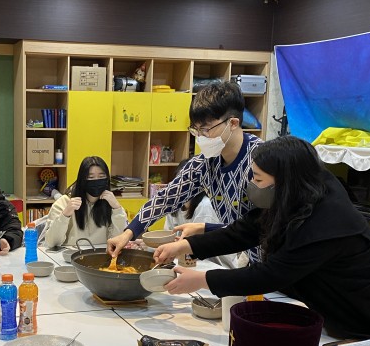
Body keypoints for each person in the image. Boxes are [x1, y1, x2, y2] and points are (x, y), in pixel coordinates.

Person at [154, 137, 370, 346]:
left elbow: (271, 275)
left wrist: (202, 279)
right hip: (347, 314)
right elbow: (248, 229)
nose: (252, 185)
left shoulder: (326, 222)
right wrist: (187, 246)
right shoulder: (301, 192)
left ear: (285, 181)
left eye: (258, 178)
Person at [107, 80, 263, 262]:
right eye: (196, 130)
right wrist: (128, 233)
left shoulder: (261, 161)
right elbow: (166, 199)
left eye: (206, 129)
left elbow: (263, 226)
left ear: (233, 123)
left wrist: (203, 230)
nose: (200, 137)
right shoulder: (204, 164)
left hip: (280, 259)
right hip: (251, 258)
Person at [163, 159, 237, 269]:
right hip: (187, 259)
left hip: (215, 264)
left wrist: (178, 245)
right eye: (179, 180)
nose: (182, 185)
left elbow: (198, 247)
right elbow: (167, 237)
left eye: (189, 180)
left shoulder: (205, 205)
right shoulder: (174, 205)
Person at [41, 156, 127, 247]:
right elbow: (51, 243)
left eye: (101, 176)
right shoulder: (64, 202)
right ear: (82, 180)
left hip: (101, 256)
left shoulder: (110, 203)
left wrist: (117, 209)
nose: (96, 181)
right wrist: (65, 215)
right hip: (69, 257)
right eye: (91, 177)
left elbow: (118, 240)